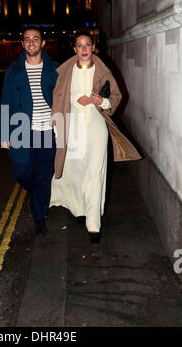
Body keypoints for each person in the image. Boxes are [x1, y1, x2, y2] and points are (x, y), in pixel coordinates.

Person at [50, 30, 141, 243]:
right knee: (75, 170)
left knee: (95, 171)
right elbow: (57, 100)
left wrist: (101, 101)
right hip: (72, 126)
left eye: (87, 45)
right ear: (74, 49)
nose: (84, 49)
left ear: (93, 47)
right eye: (79, 46)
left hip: (96, 127)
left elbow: (116, 97)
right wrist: (59, 127)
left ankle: (93, 222)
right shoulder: (65, 71)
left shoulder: (102, 70)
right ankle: (80, 208)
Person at [0, 27, 59, 237]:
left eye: (36, 39)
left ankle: (39, 217)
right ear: (23, 44)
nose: (32, 43)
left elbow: (63, 101)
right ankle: (39, 196)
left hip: (47, 132)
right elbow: (5, 101)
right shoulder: (14, 70)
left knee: (44, 176)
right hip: (22, 131)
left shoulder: (55, 69)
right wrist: (4, 133)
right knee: (20, 173)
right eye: (27, 39)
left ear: (43, 43)